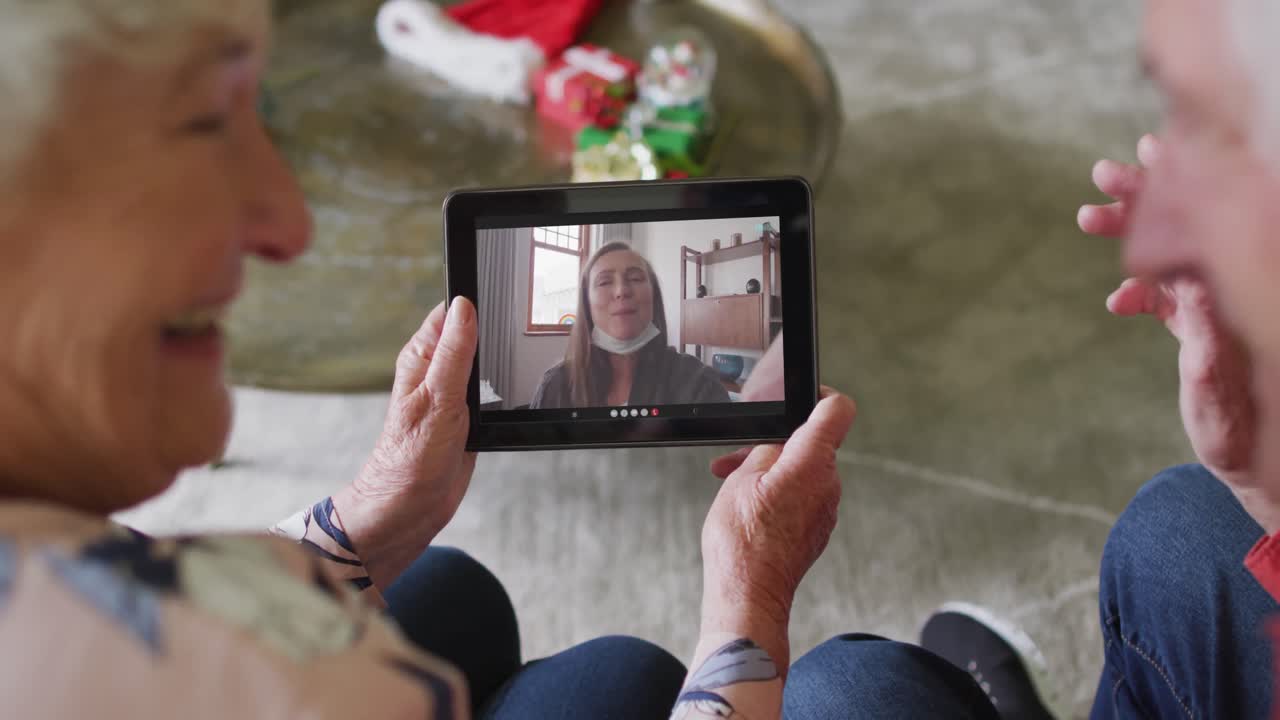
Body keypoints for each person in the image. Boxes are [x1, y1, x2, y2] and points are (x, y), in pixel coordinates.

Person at [530, 242, 731, 409]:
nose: (621, 291)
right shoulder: (554, 387)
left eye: (635, 278)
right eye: (604, 282)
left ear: (654, 296)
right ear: (586, 303)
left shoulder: (699, 383)